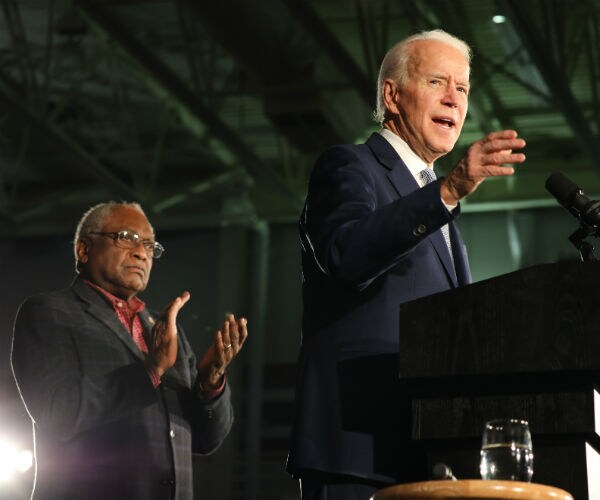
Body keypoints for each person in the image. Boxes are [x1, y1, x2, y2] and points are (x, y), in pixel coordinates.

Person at [287, 29, 526, 499]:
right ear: (392, 96)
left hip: (429, 453)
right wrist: (448, 192)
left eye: (463, 88)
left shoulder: (440, 207)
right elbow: (347, 255)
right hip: (357, 447)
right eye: (439, 82)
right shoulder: (349, 167)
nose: (454, 99)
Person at [11, 201, 248, 500]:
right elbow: (59, 413)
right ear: (84, 250)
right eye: (126, 237)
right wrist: (151, 370)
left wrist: (210, 383)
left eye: (149, 245)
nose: (141, 252)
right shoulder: (50, 312)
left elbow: (204, 440)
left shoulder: (164, 329)